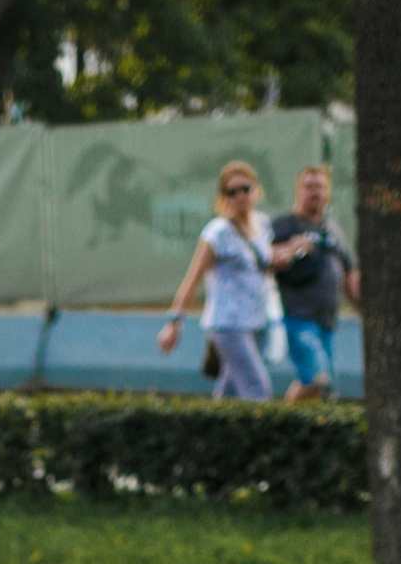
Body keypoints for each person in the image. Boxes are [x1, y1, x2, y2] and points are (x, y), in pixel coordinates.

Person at [155, 160, 282, 401]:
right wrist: (174, 323)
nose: (240, 196)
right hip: (228, 324)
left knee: (230, 391)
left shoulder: (263, 225)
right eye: (231, 192)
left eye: (245, 188)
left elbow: (266, 263)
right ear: (223, 197)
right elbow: (192, 279)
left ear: (256, 190)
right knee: (257, 389)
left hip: (256, 322)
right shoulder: (217, 232)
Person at [269, 164, 361, 402]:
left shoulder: (331, 229)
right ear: (298, 190)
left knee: (325, 389)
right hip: (298, 319)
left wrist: (364, 310)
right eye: (309, 187)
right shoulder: (285, 225)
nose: (314, 192)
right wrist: (290, 248)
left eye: (319, 187)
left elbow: (349, 272)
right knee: (316, 379)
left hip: (327, 322)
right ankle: (282, 423)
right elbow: (265, 259)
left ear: (327, 191)